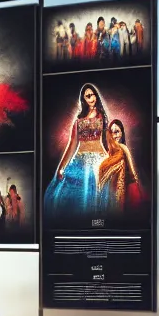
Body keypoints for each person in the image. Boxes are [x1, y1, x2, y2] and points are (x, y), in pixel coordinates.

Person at [46, 82, 110, 219]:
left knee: (96, 199)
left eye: (93, 95)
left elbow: (107, 142)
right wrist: (61, 167)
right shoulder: (78, 121)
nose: (91, 98)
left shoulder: (102, 118)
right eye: (88, 96)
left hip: (99, 160)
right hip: (79, 161)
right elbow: (72, 145)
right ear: (84, 99)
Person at [98, 117, 143, 215]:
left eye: (117, 132)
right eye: (112, 133)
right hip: (111, 195)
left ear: (122, 132)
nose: (114, 136)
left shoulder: (123, 148)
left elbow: (132, 171)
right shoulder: (109, 154)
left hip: (126, 192)